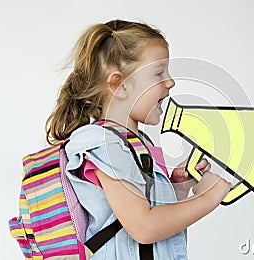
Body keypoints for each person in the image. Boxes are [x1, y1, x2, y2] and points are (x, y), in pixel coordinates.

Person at [45, 19, 231, 259]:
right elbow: (144, 227)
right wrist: (208, 198)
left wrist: (177, 188)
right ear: (119, 85)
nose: (170, 81)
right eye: (158, 73)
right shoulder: (104, 144)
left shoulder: (133, 145)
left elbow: (149, 215)